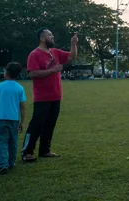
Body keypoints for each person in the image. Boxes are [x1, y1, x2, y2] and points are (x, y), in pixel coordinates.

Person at [20, 28, 77, 163]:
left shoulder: (55, 52)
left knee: (50, 124)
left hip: (56, 96)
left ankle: (45, 150)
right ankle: (27, 152)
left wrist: (73, 44)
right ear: (42, 38)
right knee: (36, 125)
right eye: (50, 35)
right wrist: (53, 70)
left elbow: (71, 57)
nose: (53, 37)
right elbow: (33, 73)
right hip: (42, 97)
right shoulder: (34, 54)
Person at [0, 62, 27, 175]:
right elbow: (22, 107)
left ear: (6, 73)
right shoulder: (20, 88)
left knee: (1, 141)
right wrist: (22, 121)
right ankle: (10, 163)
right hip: (14, 119)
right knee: (13, 142)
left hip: (0, 119)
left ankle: (1, 166)